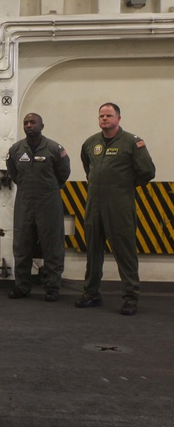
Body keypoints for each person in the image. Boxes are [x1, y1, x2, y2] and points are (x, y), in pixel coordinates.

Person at [76, 103, 156, 315]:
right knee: (93, 251)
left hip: (120, 205)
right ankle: (91, 293)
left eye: (109, 115)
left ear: (119, 118)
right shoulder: (90, 143)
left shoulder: (132, 142)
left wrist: (125, 185)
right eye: (101, 115)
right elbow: (88, 168)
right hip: (94, 205)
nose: (104, 119)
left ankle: (131, 297)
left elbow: (148, 171)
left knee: (125, 251)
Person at [6, 113, 71, 302]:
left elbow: (63, 173)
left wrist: (47, 188)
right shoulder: (16, 149)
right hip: (25, 202)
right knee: (22, 244)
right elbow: (13, 172)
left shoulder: (54, 149)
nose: (28, 125)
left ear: (42, 125)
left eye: (32, 122)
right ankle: (22, 286)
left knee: (52, 245)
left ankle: (52, 287)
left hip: (49, 203)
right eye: (25, 123)